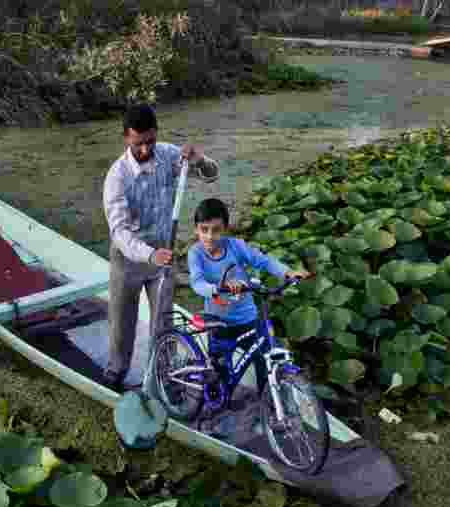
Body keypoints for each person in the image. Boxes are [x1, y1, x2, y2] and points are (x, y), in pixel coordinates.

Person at [102, 103, 220, 393]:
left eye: (150, 141)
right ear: (126, 138)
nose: (145, 149)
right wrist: (149, 254)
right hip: (128, 258)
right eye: (138, 143)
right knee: (122, 324)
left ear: (156, 134)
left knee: (163, 323)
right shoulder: (116, 177)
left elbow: (210, 175)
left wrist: (200, 159)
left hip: (164, 255)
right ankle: (115, 373)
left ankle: (161, 377)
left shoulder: (168, 155)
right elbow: (119, 232)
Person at [187, 197, 312, 389]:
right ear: (196, 229)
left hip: (247, 319)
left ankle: (269, 401)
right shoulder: (195, 253)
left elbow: (263, 261)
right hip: (218, 323)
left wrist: (287, 272)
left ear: (226, 229)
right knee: (219, 381)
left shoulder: (236, 246)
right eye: (204, 230)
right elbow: (197, 282)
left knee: (265, 359)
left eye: (216, 230)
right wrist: (218, 287)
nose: (210, 236)